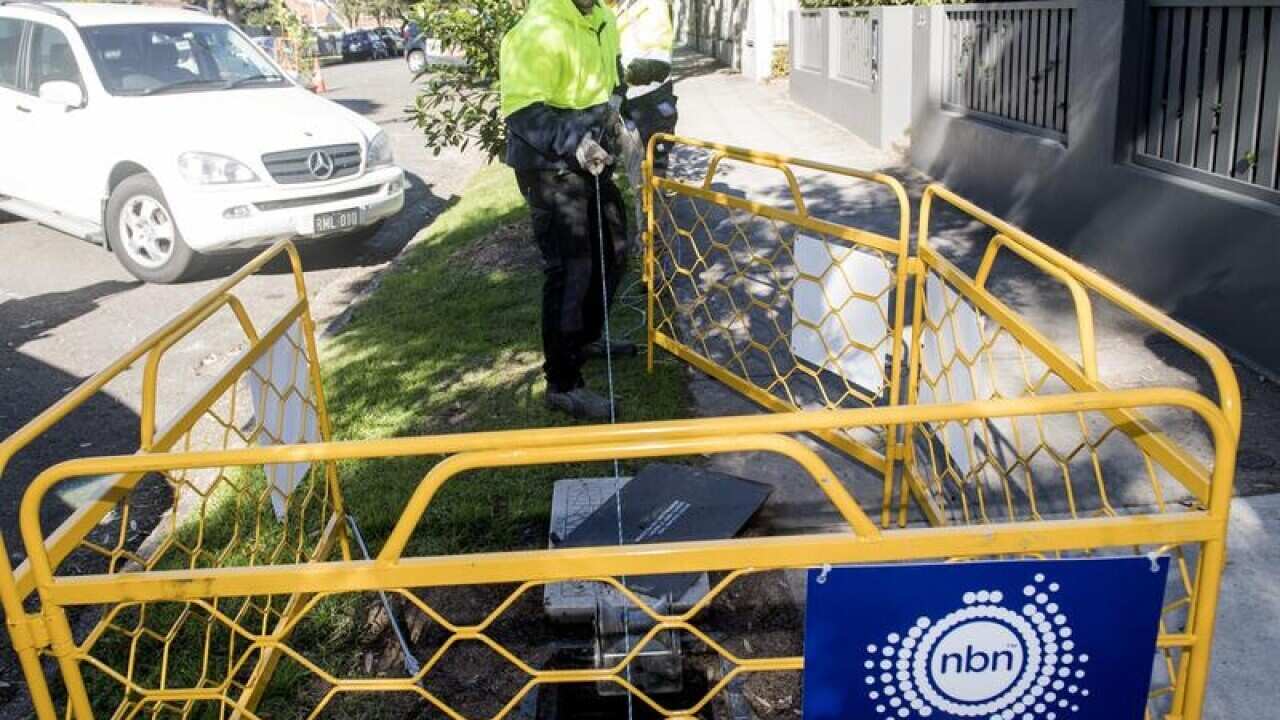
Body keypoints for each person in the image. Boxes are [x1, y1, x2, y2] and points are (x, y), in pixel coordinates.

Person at [500, 0, 630, 420]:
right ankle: (563, 382)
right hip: (549, 166)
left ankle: (585, 338)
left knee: (614, 250)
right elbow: (522, 112)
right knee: (572, 268)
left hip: (592, 161)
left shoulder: (603, 21)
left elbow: (611, 87)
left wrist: (620, 129)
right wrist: (575, 142)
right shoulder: (535, 29)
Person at [611, 0, 678, 174]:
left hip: (651, 94)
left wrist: (641, 71)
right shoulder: (612, 8)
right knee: (632, 161)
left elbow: (660, 48)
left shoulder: (651, 4)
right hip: (625, 96)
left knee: (655, 161)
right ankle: (642, 196)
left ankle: (656, 196)